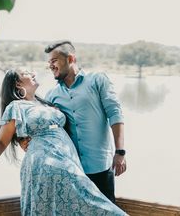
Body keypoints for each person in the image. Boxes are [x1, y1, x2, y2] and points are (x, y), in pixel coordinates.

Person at [0, 69, 127, 216]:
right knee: (92, 203)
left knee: (88, 203)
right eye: (25, 72)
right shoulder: (16, 107)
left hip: (67, 162)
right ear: (18, 84)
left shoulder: (47, 102)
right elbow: (1, 142)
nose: (32, 73)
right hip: (45, 166)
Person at [43, 41, 126, 203]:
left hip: (100, 166)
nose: (51, 66)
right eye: (49, 63)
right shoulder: (51, 95)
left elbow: (115, 114)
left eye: (54, 61)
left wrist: (120, 152)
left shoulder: (97, 80)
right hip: (72, 169)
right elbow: (49, 131)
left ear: (70, 59)